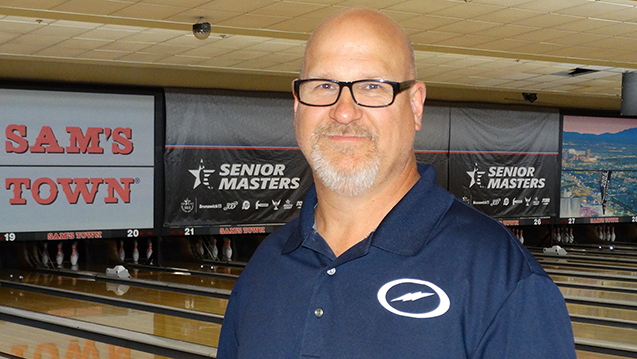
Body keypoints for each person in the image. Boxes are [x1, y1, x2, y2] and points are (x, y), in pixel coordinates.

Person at [218, 8, 576, 359]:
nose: (344, 111)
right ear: (297, 106)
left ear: (416, 105)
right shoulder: (264, 269)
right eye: (324, 85)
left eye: (373, 86)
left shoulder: (502, 280)